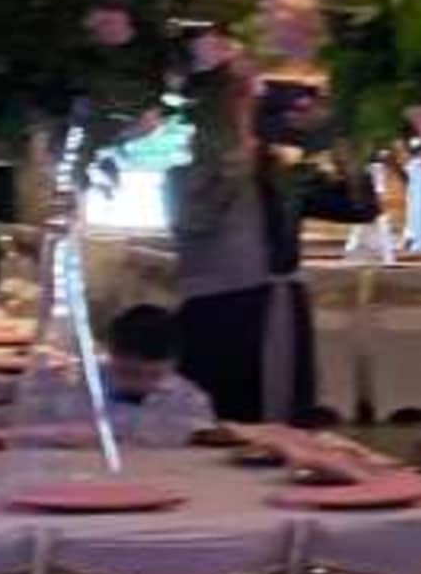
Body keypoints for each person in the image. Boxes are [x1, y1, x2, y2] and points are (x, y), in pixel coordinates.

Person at [171, 81, 326, 423]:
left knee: (279, 422)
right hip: (220, 311)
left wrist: (336, 144)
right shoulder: (183, 178)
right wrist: (239, 142)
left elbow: (360, 207)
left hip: (280, 306)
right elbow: (200, 217)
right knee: (215, 418)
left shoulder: (285, 176)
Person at [101, 303, 216, 448]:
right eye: (130, 373)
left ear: (174, 364)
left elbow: (201, 438)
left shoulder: (190, 399)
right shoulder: (77, 390)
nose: (143, 384)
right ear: (111, 354)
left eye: (156, 375)